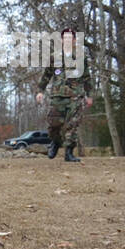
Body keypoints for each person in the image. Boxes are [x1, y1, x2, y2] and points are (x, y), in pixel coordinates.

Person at [37, 28, 93, 163]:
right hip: (57, 96)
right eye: (65, 38)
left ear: (74, 40)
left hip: (75, 96)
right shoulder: (54, 56)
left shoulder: (81, 57)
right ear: (61, 40)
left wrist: (89, 95)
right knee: (53, 125)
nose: (67, 40)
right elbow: (46, 75)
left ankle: (69, 153)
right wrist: (40, 91)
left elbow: (86, 77)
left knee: (72, 125)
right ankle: (56, 143)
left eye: (70, 38)